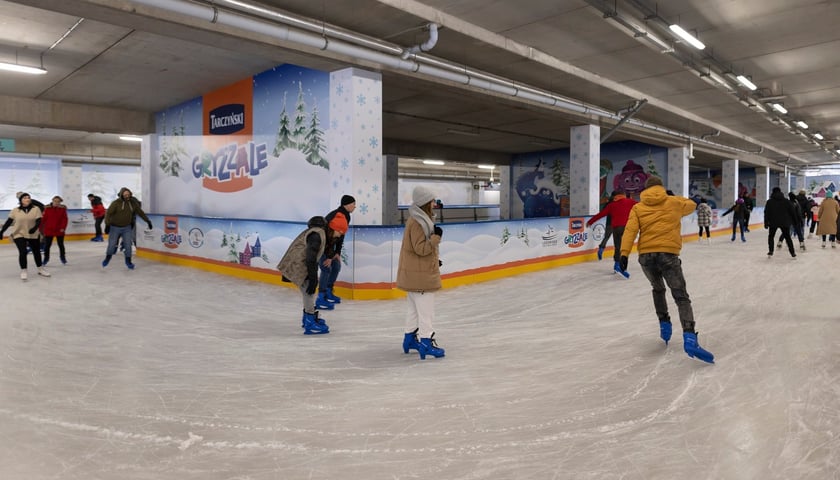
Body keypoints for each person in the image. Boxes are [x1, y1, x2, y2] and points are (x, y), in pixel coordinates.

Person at [619, 176, 714, 364]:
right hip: (668, 255)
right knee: (681, 296)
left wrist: (623, 253)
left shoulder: (638, 207)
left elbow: (630, 230)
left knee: (658, 289)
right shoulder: (674, 202)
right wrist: (675, 197)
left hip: (646, 257)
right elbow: (691, 204)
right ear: (661, 187)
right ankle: (689, 337)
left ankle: (665, 325)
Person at [397, 185, 445, 360]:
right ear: (425, 202)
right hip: (420, 277)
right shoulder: (418, 222)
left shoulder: (418, 219)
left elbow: (417, 250)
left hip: (415, 273)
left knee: (414, 311)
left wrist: (434, 260)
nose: (434, 204)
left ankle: (409, 339)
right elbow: (421, 249)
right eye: (431, 201)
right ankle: (426, 343)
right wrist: (436, 238)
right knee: (426, 312)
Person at [277, 216, 334, 335]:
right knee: (309, 292)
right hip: (300, 266)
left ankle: (308, 318)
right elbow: (310, 257)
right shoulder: (316, 235)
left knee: (308, 291)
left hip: (299, 264)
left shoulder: (313, 233)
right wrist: (313, 278)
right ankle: (309, 322)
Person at [315, 195, 356, 310]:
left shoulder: (346, 216)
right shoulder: (334, 216)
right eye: (353, 204)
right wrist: (328, 256)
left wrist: (337, 252)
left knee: (336, 265)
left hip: (329, 246)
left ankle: (328, 291)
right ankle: (321, 297)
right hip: (320, 246)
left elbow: (340, 236)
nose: (355, 206)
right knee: (326, 267)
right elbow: (326, 238)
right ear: (347, 205)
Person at [586, 190, 637, 278]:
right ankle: (622, 267)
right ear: (623, 195)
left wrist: (590, 221)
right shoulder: (631, 202)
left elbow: (601, 214)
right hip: (627, 228)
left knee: (618, 247)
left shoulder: (611, 205)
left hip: (616, 228)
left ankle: (617, 265)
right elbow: (644, 207)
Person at [0, 193, 50, 280]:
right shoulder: (15, 210)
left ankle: (40, 269)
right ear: (21, 200)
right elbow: (9, 222)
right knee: (23, 252)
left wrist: (34, 228)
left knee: (36, 252)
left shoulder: (36, 209)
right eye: (25, 198)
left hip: (33, 234)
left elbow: (39, 220)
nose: (27, 199)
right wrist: (2, 231)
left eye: (28, 197)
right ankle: (24, 270)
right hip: (19, 233)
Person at [102, 187, 152, 269]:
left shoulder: (133, 203)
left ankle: (128, 261)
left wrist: (148, 221)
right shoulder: (116, 203)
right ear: (122, 195)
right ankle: (108, 258)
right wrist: (107, 225)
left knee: (128, 245)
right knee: (112, 245)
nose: (127, 196)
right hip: (115, 227)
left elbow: (140, 212)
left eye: (128, 194)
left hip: (127, 228)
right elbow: (108, 213)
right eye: (125, 195)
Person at [764, 188, 797, 258]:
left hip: (773, 222)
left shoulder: (769, 202)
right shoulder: (786, 201)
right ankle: (792, 253)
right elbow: (792, 212)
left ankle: (770, 251)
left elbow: (766, 213)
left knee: (771, 237)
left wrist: (766, 223)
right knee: (788, 237)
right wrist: (795, 222)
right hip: (784, 222)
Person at [41, 195, 69, 265]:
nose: (56, 203)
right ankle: (46, 258)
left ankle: (62, 257)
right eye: (55, 201)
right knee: (47, 245)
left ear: (60, 202)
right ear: (52, 201)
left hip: (59, 230)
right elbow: (43, 219)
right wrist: (39, 228)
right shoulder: (47, 209)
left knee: (61, 244)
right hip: (49, 230)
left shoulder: (62, 210)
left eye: (58, 202)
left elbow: (65, 220)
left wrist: (63, 228)